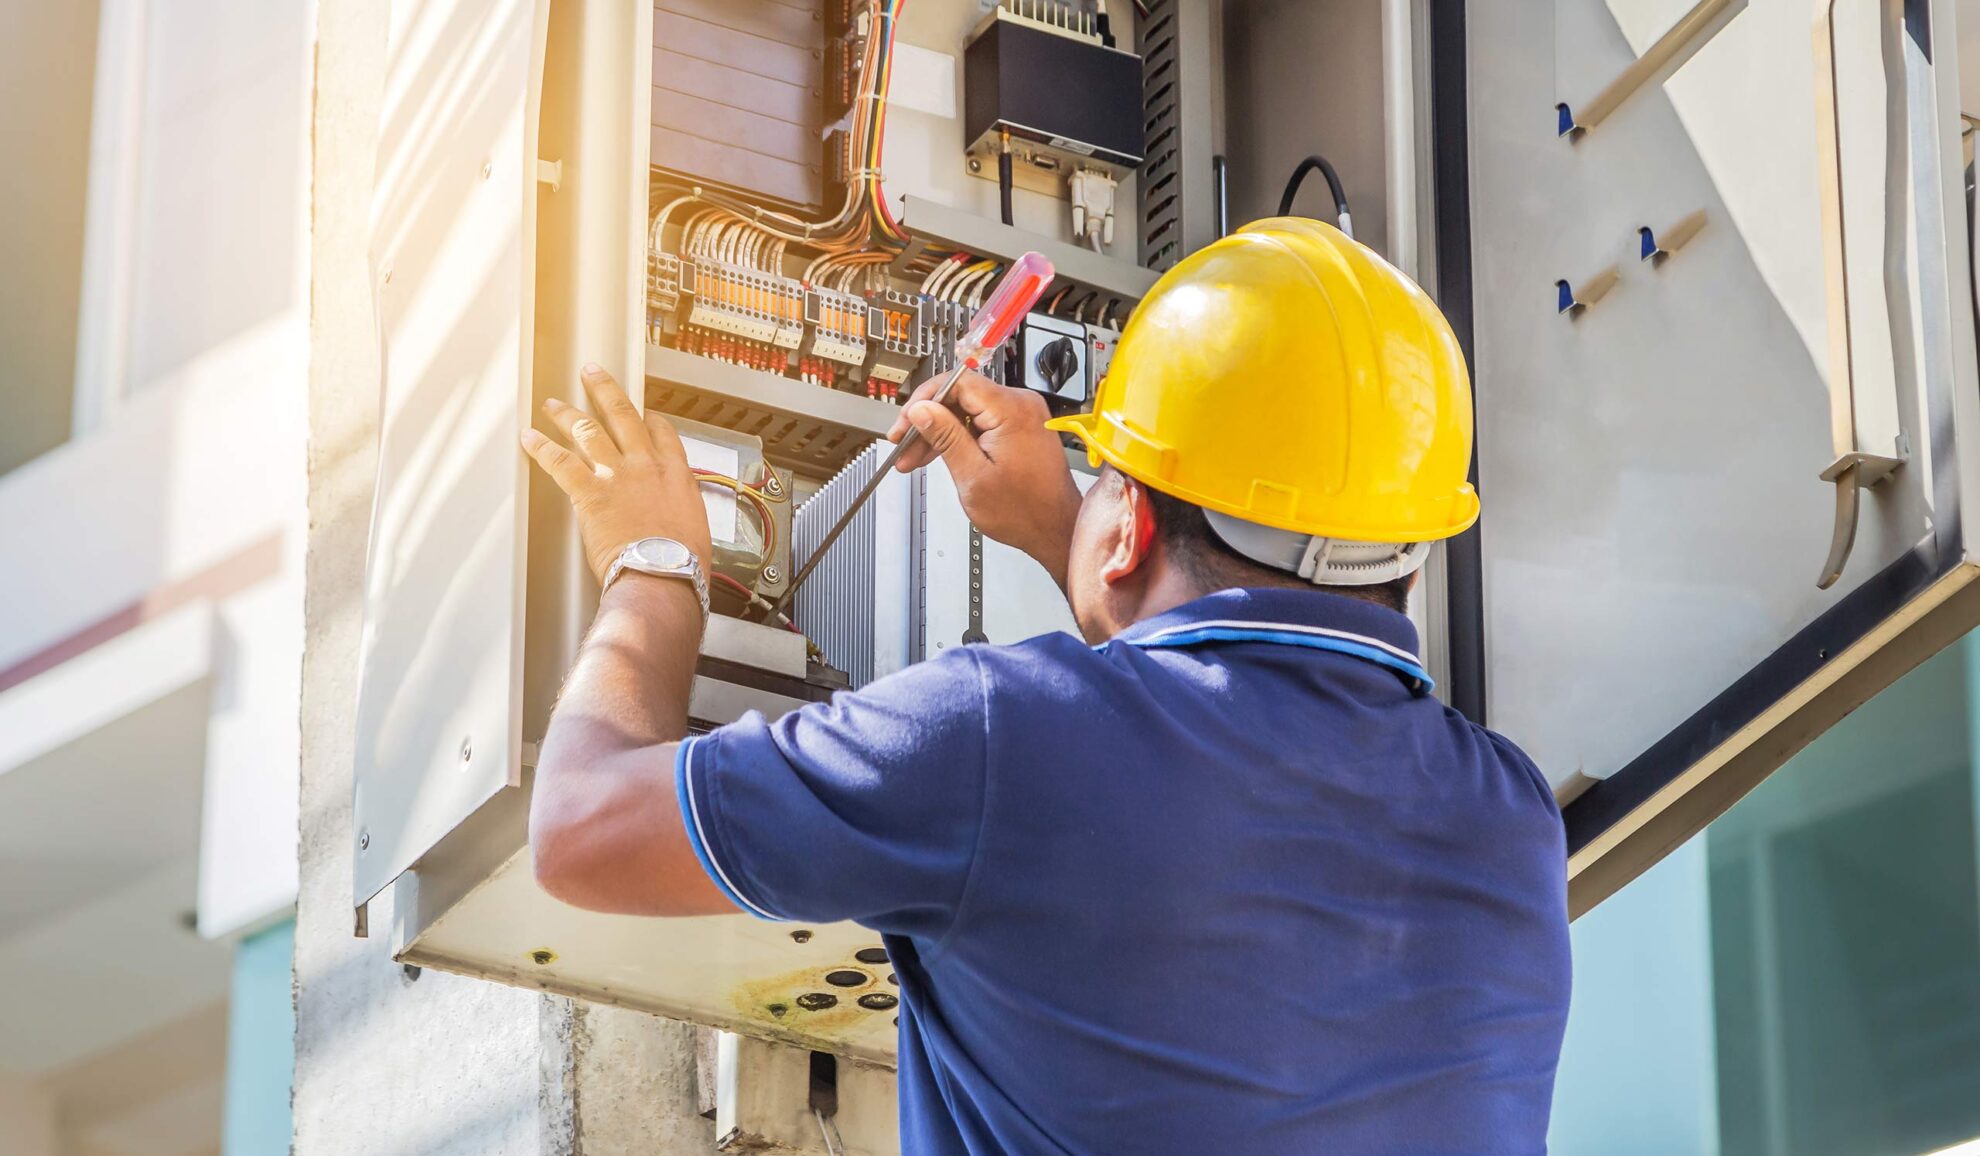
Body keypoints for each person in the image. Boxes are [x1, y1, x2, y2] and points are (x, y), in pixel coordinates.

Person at [519, 218, 1570, 1154]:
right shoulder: (1512, 826)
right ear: (1412, 560)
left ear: (1136, 530)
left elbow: (579, 826)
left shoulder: (1000, 742)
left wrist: (655, 562)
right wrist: (1077, 529)